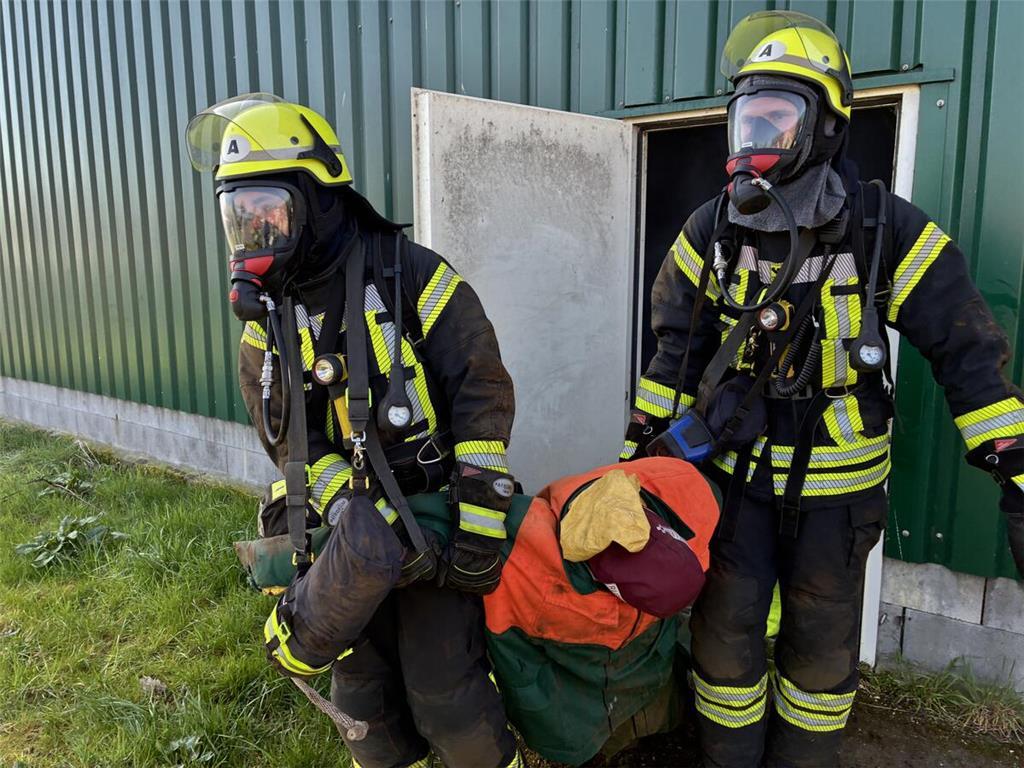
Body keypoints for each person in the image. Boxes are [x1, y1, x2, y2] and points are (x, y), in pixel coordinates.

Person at [620, 11, 1024, 768]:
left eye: (777, 120)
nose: (754, 143)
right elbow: (673, 350)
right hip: (733, 486)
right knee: (727, 629)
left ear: (825, 129)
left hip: (840, 501)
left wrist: (1007, 448)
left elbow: (964, 341)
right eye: (746, 120)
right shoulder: (710, 232)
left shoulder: (884, 230)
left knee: (820, 641)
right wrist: (640, 456)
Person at [186, 94, 522, 768]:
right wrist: (350, 517)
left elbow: (481, 386)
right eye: (238, 219)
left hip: (435, 521)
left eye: (267, 214)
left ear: (317, 200)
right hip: (353, 540)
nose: (253, 237)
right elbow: (291, 446)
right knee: (364, 700)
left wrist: (480, 517)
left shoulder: (412, 274)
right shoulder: (266, 327)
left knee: (447, 698)